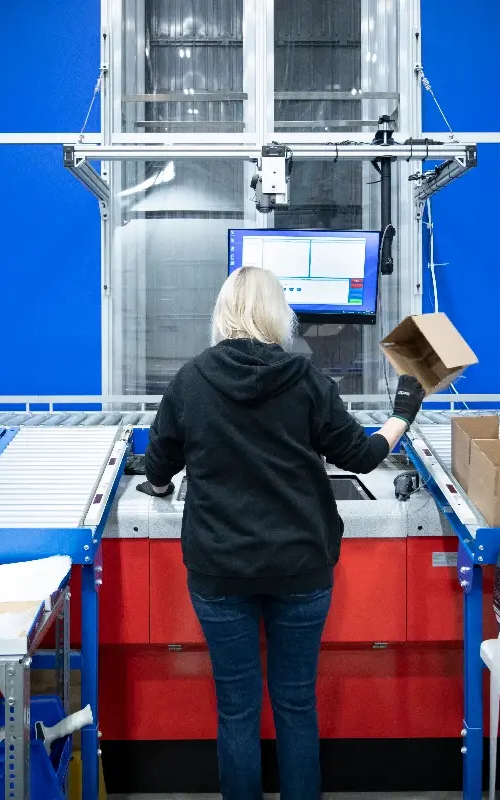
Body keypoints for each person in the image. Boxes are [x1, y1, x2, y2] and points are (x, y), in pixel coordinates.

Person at [139, 266, 425, 800]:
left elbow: (158, 467)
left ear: (222, 312)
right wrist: (404, 410)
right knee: (296, 704)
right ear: (279, 315)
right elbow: (361, 456)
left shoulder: (190, 380)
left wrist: (158, 486)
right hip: (301, 570)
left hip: (220, 572)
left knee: (237, 708)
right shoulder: (306, 380)